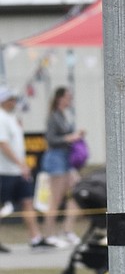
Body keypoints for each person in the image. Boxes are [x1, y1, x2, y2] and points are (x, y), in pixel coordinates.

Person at [41, 86, 84, 247]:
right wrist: (69, 138)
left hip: (66, 158)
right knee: (56, 198)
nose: (69, 100)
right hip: (56, 158)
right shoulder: (53, 116)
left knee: (76, 192)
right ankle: (48, 234)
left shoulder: (63, 116)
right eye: (67, 97)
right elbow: (51, 139)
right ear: (60, 98)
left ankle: (67, 229)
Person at [0, 87, 42, 249]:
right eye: (11, 99)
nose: (14, 102)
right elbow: (3, 144)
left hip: (19, 170)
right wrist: (20, 164)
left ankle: (35, 238)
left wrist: (22, 166)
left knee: (27, 202)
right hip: (5, 171)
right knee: (5, 207)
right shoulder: (1, 118)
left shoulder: (11, 118)